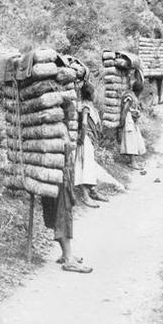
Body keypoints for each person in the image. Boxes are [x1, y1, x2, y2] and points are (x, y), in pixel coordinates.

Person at [40, 97, 92, 273]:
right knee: (63, 213)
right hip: (59, 175)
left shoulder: (62, 127)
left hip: (62, 174)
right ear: (62, 112)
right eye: (70, 111)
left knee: (62, 213)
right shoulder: (58, 128)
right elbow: (62, 148)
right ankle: (69, 259)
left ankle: (65, 253)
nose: (72, 114)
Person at [75, 81, 109, 208]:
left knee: (90, 165)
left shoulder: (90, 106)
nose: (95, 95)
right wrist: (82, 138)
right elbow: (84, 123)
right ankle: (85, 195)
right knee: (85, 166)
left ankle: (92, 190)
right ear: (90, 94)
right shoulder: (85, 107)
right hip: (85, 140)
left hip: (90, 139)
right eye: (94, 93)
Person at [119, 78, 146, 171]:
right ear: (138, 90)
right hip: (128, 119)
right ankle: (132, 162)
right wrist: (122, 121)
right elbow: (125, 109)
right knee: (130, 139)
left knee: (134, 139)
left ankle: (133, 160)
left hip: (132, 120)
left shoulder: (133, 96)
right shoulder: (130, 96)